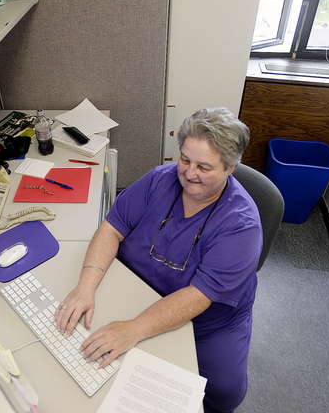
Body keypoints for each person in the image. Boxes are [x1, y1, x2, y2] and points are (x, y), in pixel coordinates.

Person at [54, 107, 262, 413]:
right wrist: (85, 288)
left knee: (226, 391)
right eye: (185, 160)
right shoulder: (159, 180)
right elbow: (111, 229)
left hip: (207, 321)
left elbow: (198, 297)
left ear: (230, 168)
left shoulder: (242, 227)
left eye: (204, 167)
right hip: (138, 286)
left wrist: (134, 328)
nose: (190, 174)